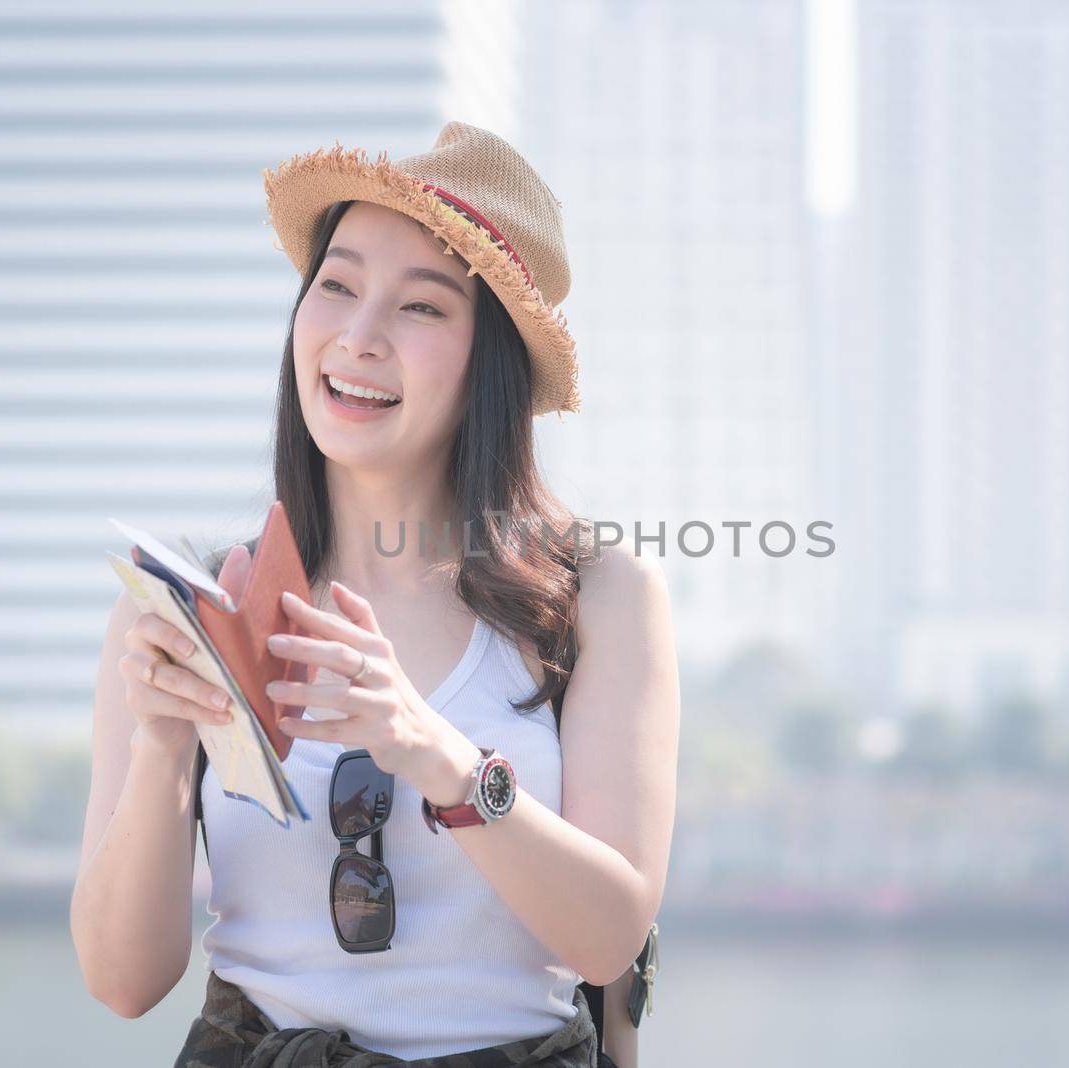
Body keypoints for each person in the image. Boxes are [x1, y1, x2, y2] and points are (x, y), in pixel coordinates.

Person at [69, 121, 680, 1068]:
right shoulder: (191, 606)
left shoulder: (597, 598)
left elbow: (606, 938)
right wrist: (163, 750)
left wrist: (432, 750)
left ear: (492, 362)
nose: (358, 338)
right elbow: (120, 981)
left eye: (422, 309)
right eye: (338, 285)